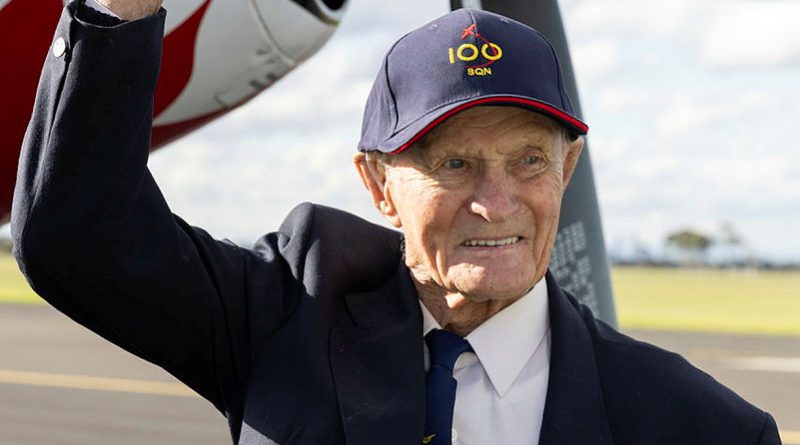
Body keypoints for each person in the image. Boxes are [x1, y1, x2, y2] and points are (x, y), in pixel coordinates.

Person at [12, 1, 781, 444]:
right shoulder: (284, 316)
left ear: (568, 171)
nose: (497, 201)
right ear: (376, 182)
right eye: (453, 164)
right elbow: (77, 233)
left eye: (529, 161)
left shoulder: (701, 428)